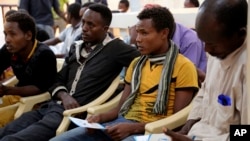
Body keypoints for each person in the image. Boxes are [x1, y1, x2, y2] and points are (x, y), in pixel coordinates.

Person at [50, 6, 199, 141]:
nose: (137, 39)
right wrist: (99, 118)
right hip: (120, 123)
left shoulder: (183, 66)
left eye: (144, 33)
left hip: (152, 131)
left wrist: (133, 128)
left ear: (164, 33)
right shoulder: (137, 64)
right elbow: (120, 109)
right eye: (138, 32)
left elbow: (175, 121)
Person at [0, 4, 140, 141]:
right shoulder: (77, 46)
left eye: (91, 25)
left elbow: (145, 58)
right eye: (83, 22)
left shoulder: (115, 48)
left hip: (74, 115)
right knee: (4, 132)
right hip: (50, 106)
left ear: (105, 29)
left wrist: (123, 86)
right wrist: (64, 95)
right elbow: (57, 79)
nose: (84, 28)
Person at [163, 0, 248, 140]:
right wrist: (188, 125)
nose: (206, 50)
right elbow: (205, 92)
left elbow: (245, 133)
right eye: (204, 42)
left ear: (240, 34)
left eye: (212, 44)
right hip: (197, 133)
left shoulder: (245, 69)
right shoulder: (220, 51)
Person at [0, 11, 57, 127]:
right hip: (15, 96)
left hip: (36, 103)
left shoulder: (44, 54)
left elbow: (39, 88)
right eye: (5, 34)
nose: (7, 39)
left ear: (28, 35)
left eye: (12, 34)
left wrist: (6, 90)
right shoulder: (9, 49)